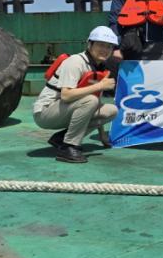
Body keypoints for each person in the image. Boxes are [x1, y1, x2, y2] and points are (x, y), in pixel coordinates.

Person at [33, 26, 119, 163]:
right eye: (101, 45)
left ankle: (61, 139)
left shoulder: (98, 67)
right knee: (90, 100)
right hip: (45, 112)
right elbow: (66, 95)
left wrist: (102, 135)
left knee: (111, 110)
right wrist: (100, 86)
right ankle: (68, 147)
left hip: (65, 109)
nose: (105, 50)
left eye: (109, 46)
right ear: (90, 44)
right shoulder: (75, 62)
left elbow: (95, 102)